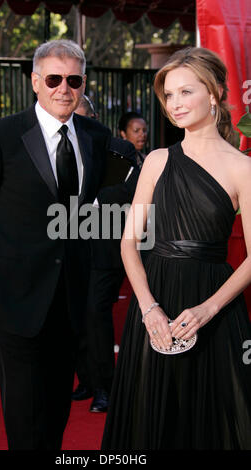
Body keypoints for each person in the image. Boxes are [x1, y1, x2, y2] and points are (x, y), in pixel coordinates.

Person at [0, 39, 116, 450]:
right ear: (35, 82)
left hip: (70, 300)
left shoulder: (97, 138)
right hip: (14, 298)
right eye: (53, 78)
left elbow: (93, 210)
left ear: (83, 84)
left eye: (73, 79)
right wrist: (4, 267)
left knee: (56, 411)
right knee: (25, 413)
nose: (63, 88)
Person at [102, 47, 251, 450]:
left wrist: (209, 308)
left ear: (215, 94)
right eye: (169, 95)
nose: (175, 104)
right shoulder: (156, 160)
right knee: (149, 417)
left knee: (217, 421)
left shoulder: (243, 168)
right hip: (156, 301)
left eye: (186, 92)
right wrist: (148, 307)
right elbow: (129, 243)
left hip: (214, 302)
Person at [72, 102, 148, 412]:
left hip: (108, 244)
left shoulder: (118, 149)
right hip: (70, 245)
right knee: (77, 313)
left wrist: (92, 198)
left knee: (96, 311)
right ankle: (88, 379)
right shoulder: (54, 146)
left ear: (93, 119)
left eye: (80, 117)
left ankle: (106, 385)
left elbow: (137, 188)